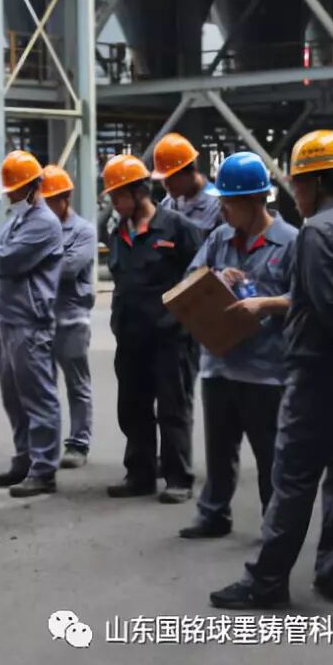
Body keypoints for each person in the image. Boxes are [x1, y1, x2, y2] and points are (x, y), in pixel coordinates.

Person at [210, 130, 333, 610]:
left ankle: (267, 582)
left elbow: (325, 304)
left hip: (318, 379)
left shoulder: (316, 233)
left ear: (316, 183)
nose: (293, 195)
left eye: (296, 184)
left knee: (293, 482)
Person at [178, 152, 298, 539]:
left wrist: (265, 304)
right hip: (219, 364)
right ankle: (213, 514)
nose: (223, 210)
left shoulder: (290, 242)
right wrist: (215, 275)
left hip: (266, 370)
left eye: (228, 203)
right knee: (219, 450)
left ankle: (274, 522)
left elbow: (307, 297)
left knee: (270, 455)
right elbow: (190, 276)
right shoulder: (219, 238)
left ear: (254, 200)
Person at [102, 153, 203, 504]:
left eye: (118, 196)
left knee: (173, 409)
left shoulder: (177, 228)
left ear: (139, 192)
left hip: (171, 338)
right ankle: (140, 474)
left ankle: (178, 478)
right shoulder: (118, 233)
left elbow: (201, 275)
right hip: (131, 338)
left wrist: (181, 321)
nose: (115, 204)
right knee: (133, 408)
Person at [0, 150, 64, 498]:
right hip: (7, 319)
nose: (11, 196)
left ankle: (43, 469)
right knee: (14, 397)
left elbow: (5, 260)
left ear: (33, 187)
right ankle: (25, 459)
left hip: (30, 323)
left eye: (15, 190)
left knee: (38, 397)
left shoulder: (44, 223)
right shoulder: (17, 221)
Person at [41, 165, 98, 470]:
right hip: (41, 320)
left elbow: (69, 268)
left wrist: (34, 261)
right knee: (43, 386)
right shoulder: (38, 228)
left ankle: (78, 443)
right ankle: (45, 445)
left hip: (72, 320)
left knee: (77, 385)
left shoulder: (83, 231)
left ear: (65, 199)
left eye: (49, 201)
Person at [152, 132, 223, 236]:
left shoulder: (217, 206)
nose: (166, 183)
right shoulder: (168, 203)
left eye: (172, 177)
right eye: (163, 178)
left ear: (191, 171)